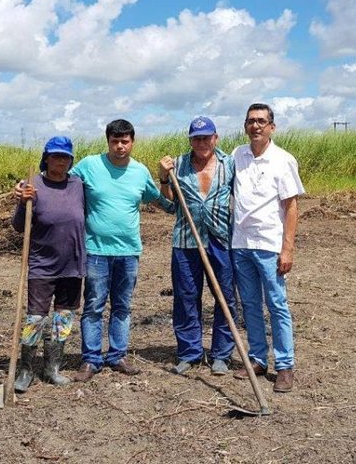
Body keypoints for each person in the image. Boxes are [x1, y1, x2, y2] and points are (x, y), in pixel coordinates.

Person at [69, 119, 171, 381]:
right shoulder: (89, 165)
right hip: (97, 251)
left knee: (123, 306)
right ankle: (91, 359)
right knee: (93, 306)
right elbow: (62, 184)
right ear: (108, 142)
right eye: (115, 141)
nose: (120, 146)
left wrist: (166, 181)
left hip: (128, 252)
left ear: (132, 142)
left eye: (125, 141)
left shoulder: (139, 171)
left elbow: (162, 201)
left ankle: (117, 356)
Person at [231, 103, 304, 393]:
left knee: (276, 304)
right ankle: (258, 358)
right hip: (240, 244)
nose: (256, 126)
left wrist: (287, 249)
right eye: (251, 121)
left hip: (269, 245)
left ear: (272, 127)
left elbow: (291, 206)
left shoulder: (283, 160)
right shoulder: (238, 155)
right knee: (249, 304)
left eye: (262, 121)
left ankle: (285, 365)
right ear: (245, 126)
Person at [157, 116, 238, 376]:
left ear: (216, 138)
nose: (201, 142)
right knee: (186, 297)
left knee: (225, 297)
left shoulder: (230, 164)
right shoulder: (177, 165)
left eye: (206, 137)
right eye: (196, 138)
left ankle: (221, 355)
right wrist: (164, 179)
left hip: (220, 239)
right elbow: (170, 204)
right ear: (190, 140)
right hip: (186, 240)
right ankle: (189, 352)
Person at [12, 136, 86, 391]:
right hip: (42, 265)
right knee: (35, 318)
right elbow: (19, 226)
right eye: (55, 156)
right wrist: (23, 202)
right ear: (46, 158)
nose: (60, 161)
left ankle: (52, 368)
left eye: (65, 157)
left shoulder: (78, 185)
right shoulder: (33, 185)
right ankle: (25, 370)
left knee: (63, 318)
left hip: (73, 264)